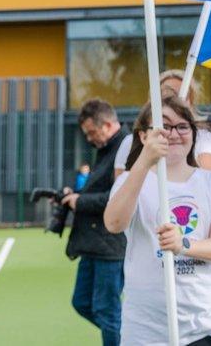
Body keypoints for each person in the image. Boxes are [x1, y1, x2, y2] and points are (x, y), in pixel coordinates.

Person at [104, 95, 211, 345]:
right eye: (164, 126)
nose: (174, 133)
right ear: (145, 136)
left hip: (202, 326)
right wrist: (145, 160)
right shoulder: (130, 181)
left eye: (182, 126)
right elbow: (114, 224)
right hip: (145, 330)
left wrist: (183, 245)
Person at [65, 98, 127, 346]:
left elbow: (119, 197)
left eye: (92, 132)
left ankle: (129, 337)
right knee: (82, 303)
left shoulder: (125, 148)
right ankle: (130, 336)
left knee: (107, 312)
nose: (89, 138)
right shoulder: (107, 149)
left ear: (109, 124)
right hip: (94, 242)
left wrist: (79, 201)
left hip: (111, 243)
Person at [114, 69, 211, 178]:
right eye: (167, 94)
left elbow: (209, 181)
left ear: (191, 103)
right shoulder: (129, 142)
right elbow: (121, 187)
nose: (174, 101)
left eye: (181, 95)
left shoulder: (203, 139)